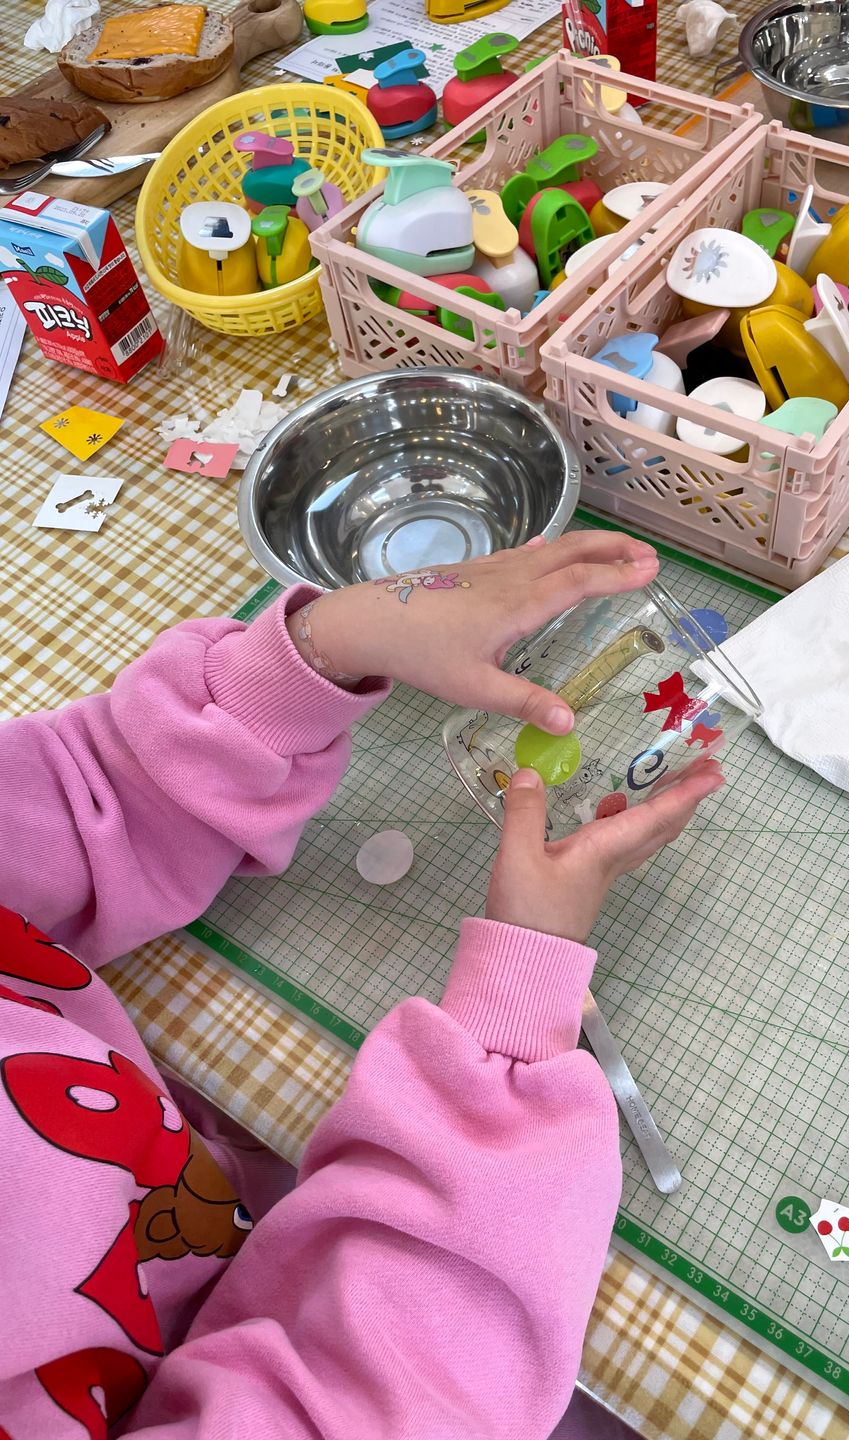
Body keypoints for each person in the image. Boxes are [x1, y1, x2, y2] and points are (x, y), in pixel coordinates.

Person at [0, 531, 724, 1439]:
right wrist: (518, 997)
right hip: (413, 1330)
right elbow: (388, 1400)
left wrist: (321, 647)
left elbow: (77, 804)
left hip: (204, 1177)